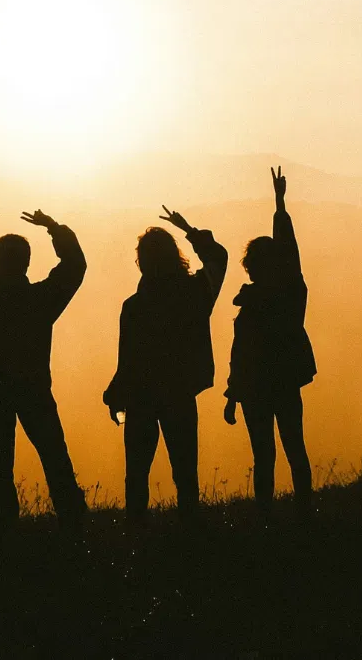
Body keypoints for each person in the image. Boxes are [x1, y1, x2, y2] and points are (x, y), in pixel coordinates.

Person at [0, 210, 88, 525]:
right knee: (53, 452)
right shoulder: (40, 299)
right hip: (33, 388)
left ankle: (6, 522)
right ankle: (72, 516)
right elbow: (75, 266)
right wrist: (54, 229)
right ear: (27, 261)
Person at [102, 204, 229, 522]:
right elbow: (219, 259)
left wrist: (116, 394)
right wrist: (190, 230)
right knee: (185, 471)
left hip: (141, 397)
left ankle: (135, 536)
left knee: (137, 475)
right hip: (180, 392)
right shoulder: (195, 293)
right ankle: (190, 536)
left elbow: (127, 358)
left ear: (142, 262)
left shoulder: (133, 306)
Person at [223, 167, 316, 519]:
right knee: (293, 447)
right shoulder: (290, 292)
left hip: (256, 389)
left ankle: (266, 517)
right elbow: (290, 252)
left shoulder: (265, 298)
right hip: (282, 382)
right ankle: (302, 513)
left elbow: (240, 354)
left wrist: (234, 393)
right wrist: (279, 204)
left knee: (265, 454)